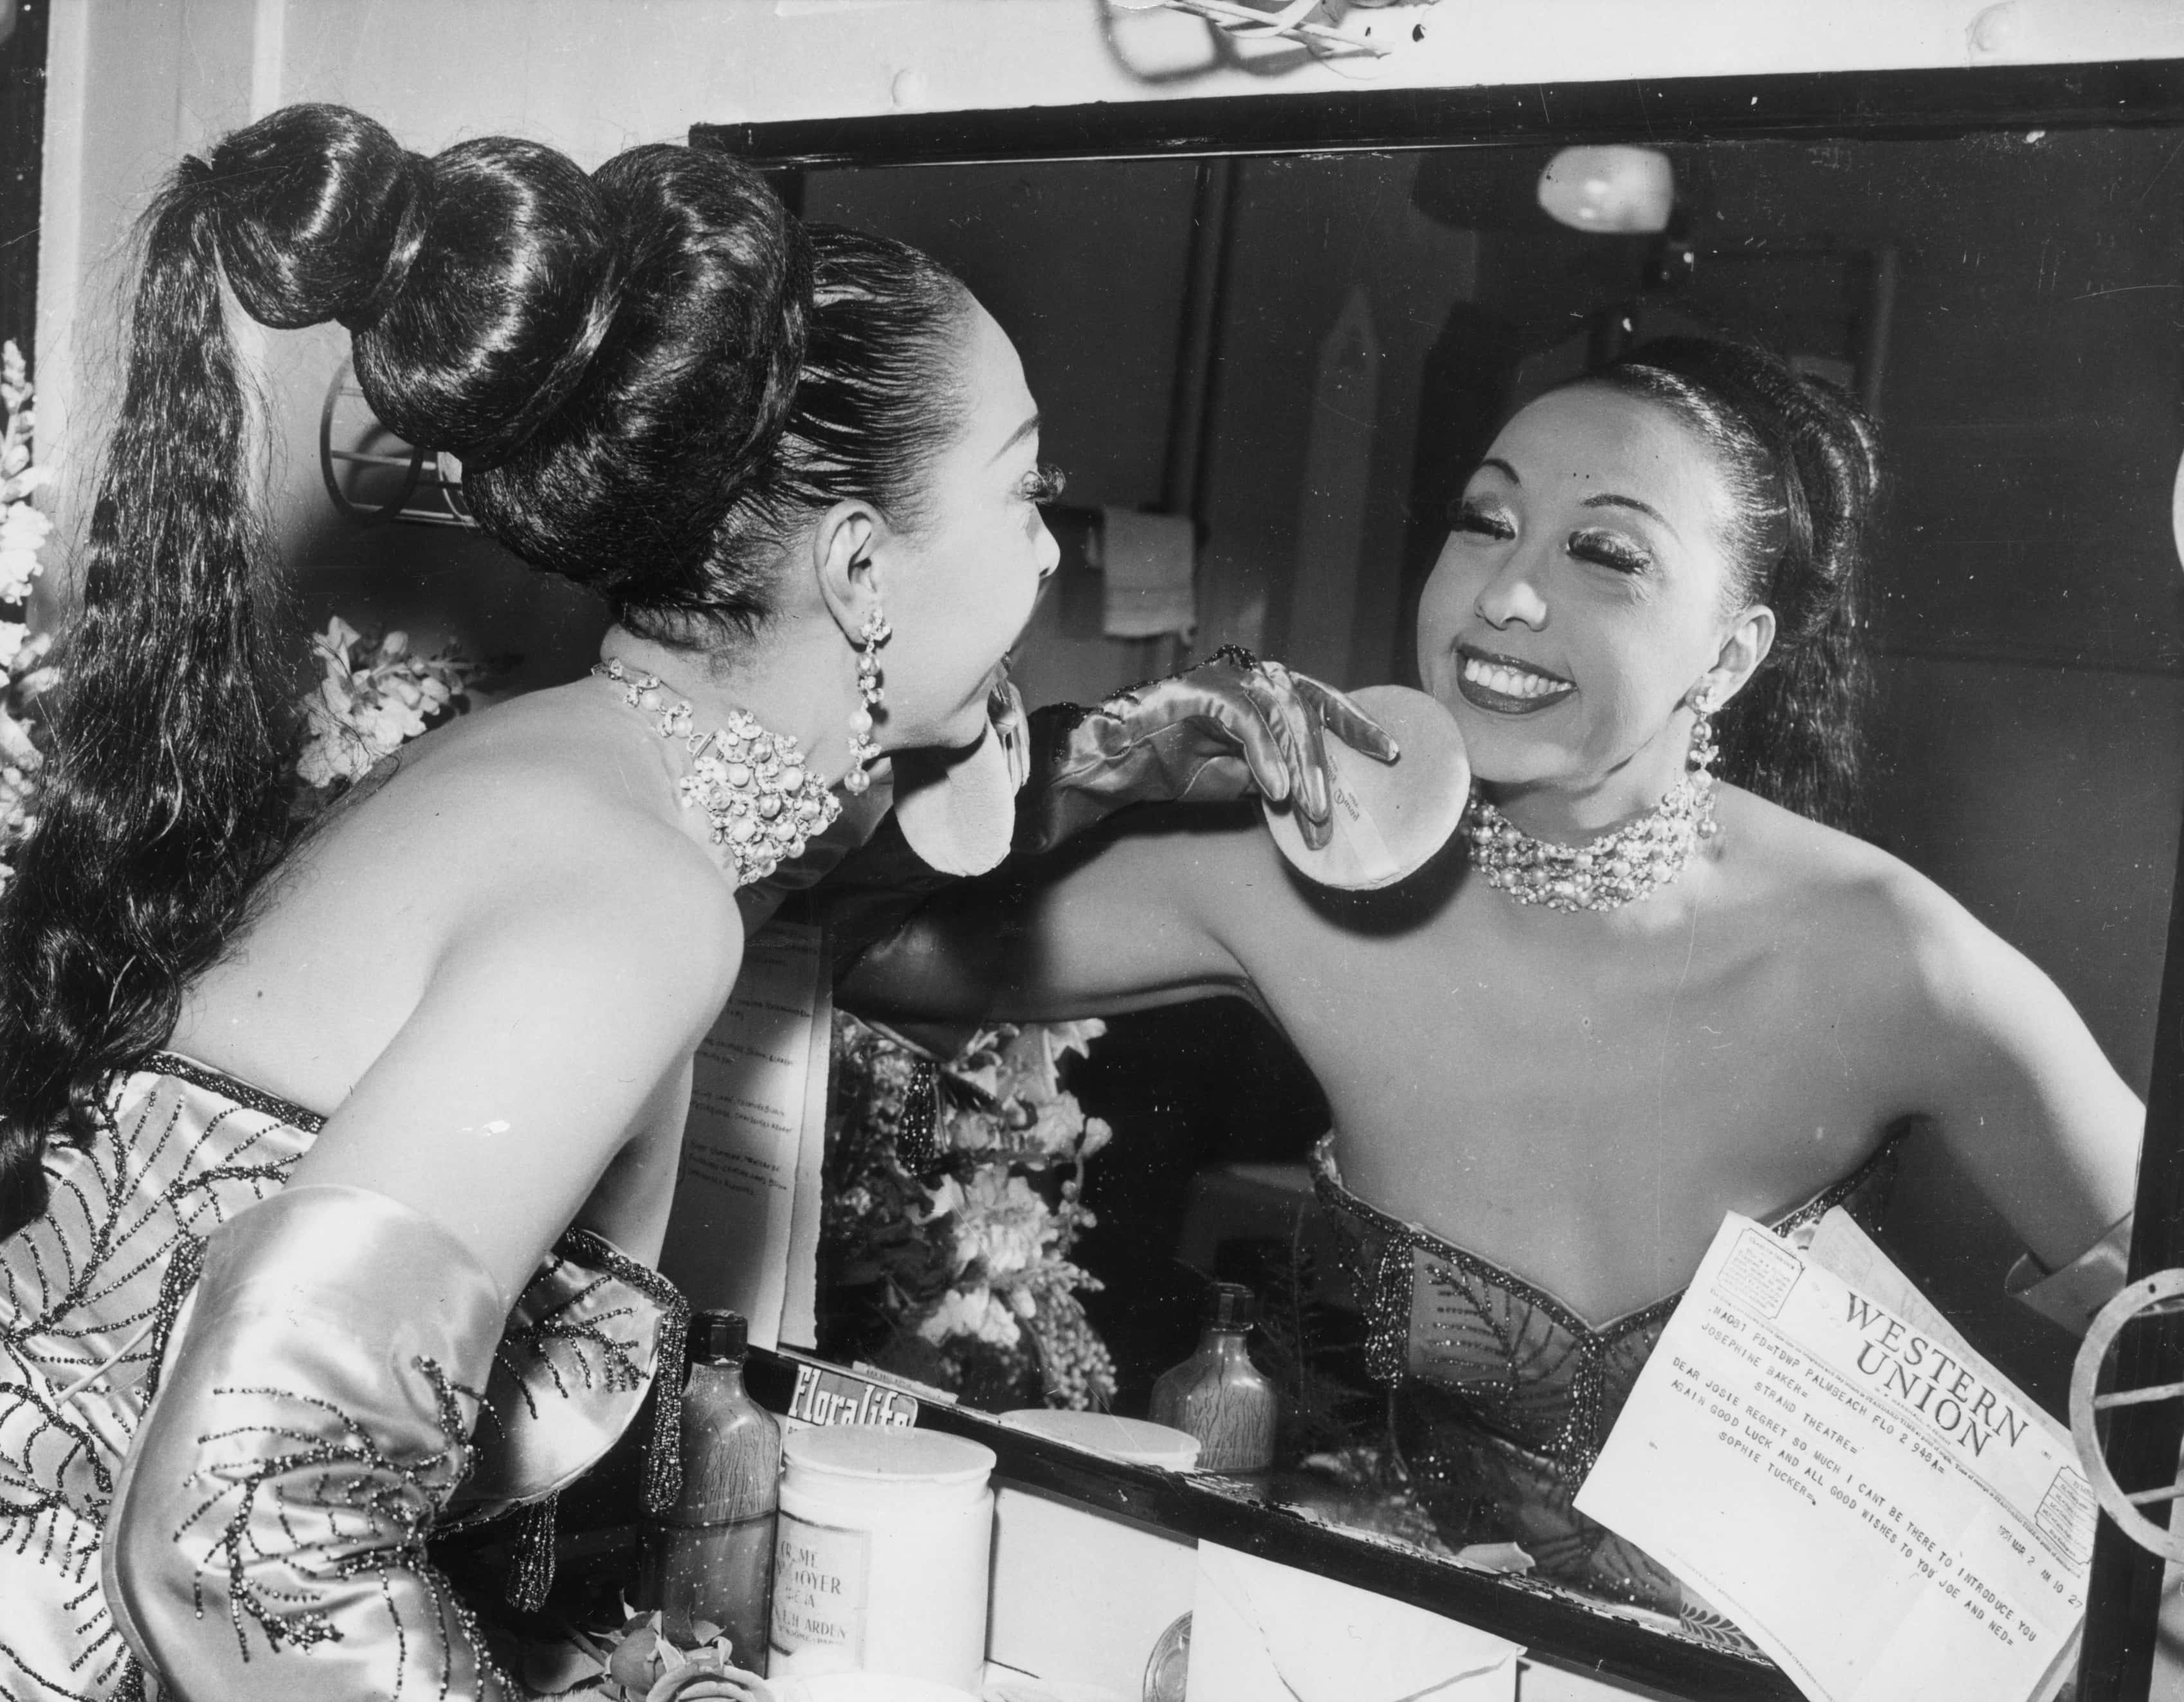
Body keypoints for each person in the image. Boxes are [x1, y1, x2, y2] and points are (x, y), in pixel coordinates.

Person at [0, 104, 1385, 1701]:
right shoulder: (637, 900)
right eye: (1028, 491)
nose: (1050, 562)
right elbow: (241, 1538)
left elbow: (832, 818)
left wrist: (1129, 760)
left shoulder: (562, 771)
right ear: (862, 574)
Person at [833, 337, 2143, 1622]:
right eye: (1485, 523)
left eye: (1606, 552)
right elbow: (863, 953)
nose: (1508, 596)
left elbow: (2163, 1313)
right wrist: (1096, 762)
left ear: (1732, 656)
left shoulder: (1892, 953)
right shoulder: (1289, 879)